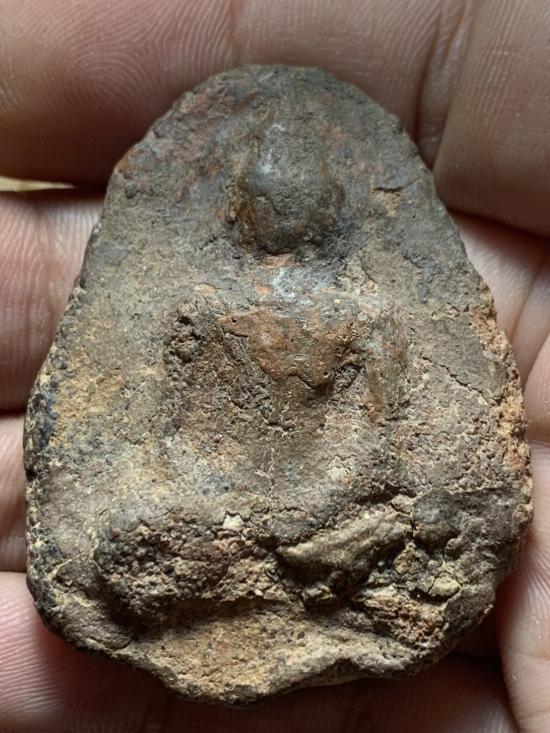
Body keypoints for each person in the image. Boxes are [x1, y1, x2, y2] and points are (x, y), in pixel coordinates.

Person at [0, 1, 549, 730]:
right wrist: (224, 511)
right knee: (122, 552)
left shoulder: (366, 312)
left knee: (432, 526)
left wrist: (323, 506)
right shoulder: (199, 308)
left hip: (336, 510)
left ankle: (294, 576)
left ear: (329, 204)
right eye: (264, 191)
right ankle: (298, 580)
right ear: (239, 205)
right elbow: (169, 442)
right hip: (216, 509)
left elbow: (384, 444)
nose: (278, 204)